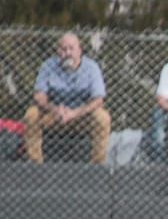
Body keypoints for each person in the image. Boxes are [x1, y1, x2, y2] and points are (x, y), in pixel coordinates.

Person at [23, 32, 110, 164]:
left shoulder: (92, 68)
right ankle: (35, 164)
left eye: (71, 48)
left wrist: (75, 113)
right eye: (64, 49)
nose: (68, 53)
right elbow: (39, 96)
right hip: (55, 116)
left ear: (80, 50)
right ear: (58, 51)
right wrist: (55, 109)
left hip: (81, 117)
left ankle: (97, 166)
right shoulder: (48, 66)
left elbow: (98, 100)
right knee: (31, 114)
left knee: (103, 118)